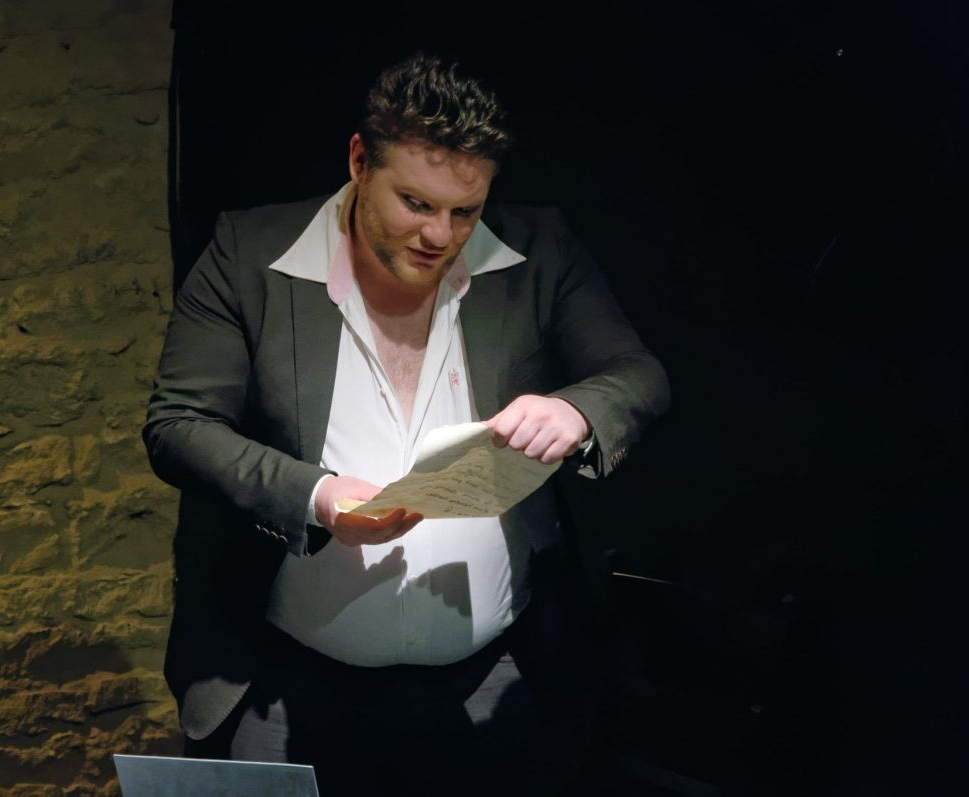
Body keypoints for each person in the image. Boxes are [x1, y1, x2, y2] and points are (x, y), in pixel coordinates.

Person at [144, 52, 670, 796]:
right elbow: (177, 424)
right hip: (291, 679)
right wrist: (316, 496)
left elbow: (638, 374)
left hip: (494, 673)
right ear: (360, 161)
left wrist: (577, 409)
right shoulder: (250, 254)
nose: (440, 234)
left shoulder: (538, 249)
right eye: (416, 203)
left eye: (465, 211)